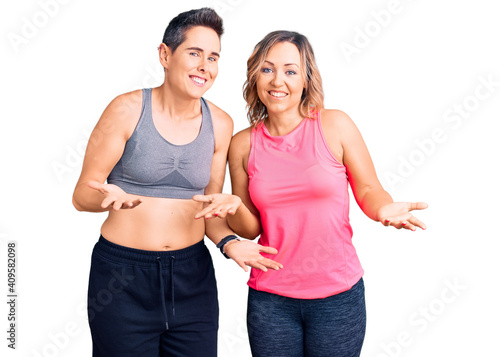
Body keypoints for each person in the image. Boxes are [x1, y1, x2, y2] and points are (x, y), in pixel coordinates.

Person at [194, 30, 428, 357]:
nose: (278, 81)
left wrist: (383, 208)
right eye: (267, 69)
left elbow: (369, 188)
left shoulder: (335, 125)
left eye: (290, 71)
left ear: (306, 80)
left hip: (338, 296)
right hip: (271, 299)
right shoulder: (242, 144)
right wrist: (233, 206)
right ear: (254, 76)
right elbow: (251, 229)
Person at [72, 8, 281, 357]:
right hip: (123, 278)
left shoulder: (221, 123)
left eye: (213, 57)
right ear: (165, 55)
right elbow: (81, 196)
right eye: (194, 53)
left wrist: (229, 242)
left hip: (191, 277)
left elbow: (209, 207)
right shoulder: (125, 110)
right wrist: (110, 199)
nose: (205, 66)